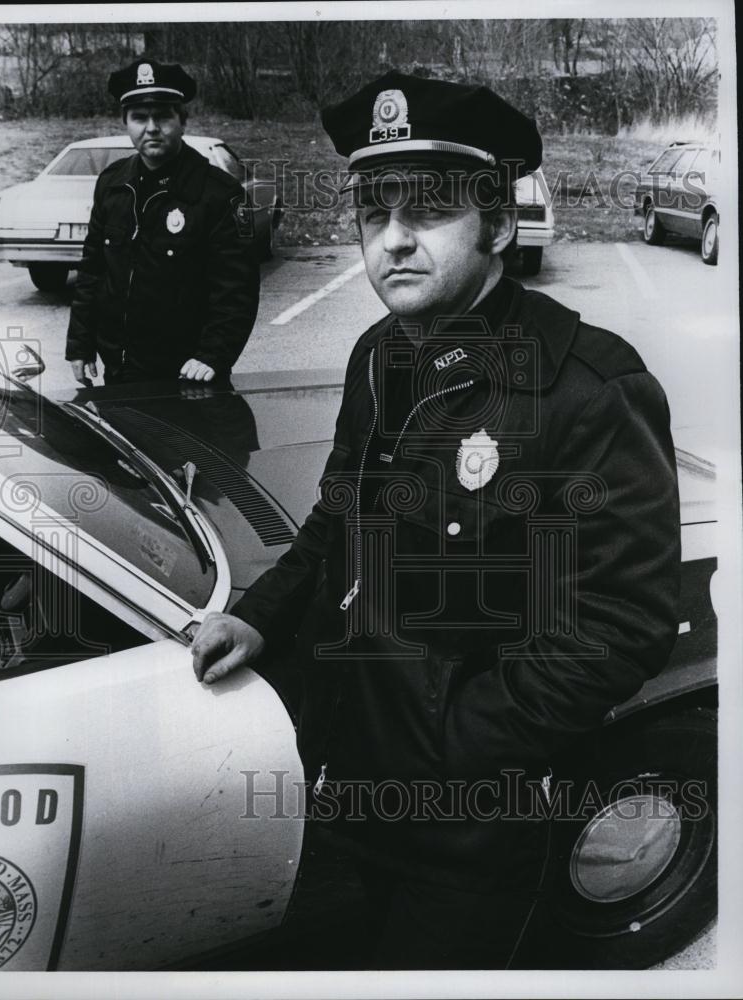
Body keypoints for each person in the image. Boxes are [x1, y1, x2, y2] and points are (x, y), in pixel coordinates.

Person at [190, 71, 681, 968]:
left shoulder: (588, 386)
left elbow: (625, 619)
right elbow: (337, 520)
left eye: (429, 213)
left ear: (496, 224)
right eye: (374, 216)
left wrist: (459, 744)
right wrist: (256, 619)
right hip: (346, 779)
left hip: (473, 823)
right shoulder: (379, 357)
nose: (394, 242)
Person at [65, 59, 260, 385]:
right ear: (126, 123)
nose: (151, 127)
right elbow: (92, 272)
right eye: (139, 118)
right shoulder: (112, 184)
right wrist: (80, 344)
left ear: (182, 122)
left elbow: (236, 289)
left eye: (163, 116)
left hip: (189, 375)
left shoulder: (218, 193)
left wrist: (213, 355)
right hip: (119, 370)